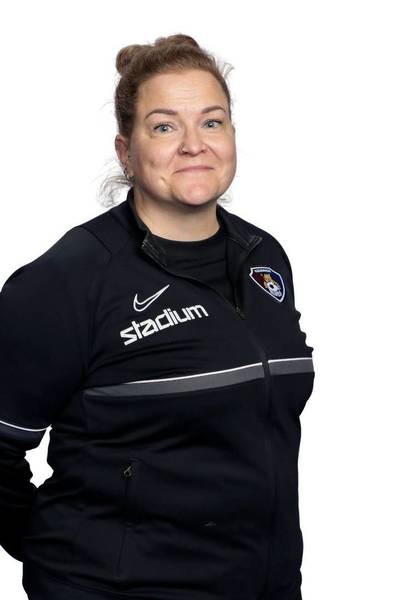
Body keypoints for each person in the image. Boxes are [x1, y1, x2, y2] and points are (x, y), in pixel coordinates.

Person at [0, 34, 315, 600]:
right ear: (126, 151)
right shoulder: (70, 279)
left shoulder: (263, 257)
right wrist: (64, 556)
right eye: (165, 126)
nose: (194, 144)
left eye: (212, 122)